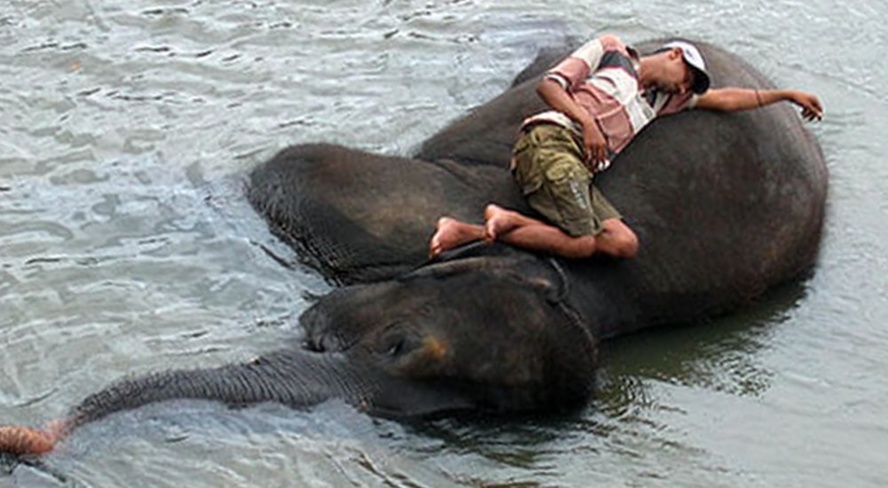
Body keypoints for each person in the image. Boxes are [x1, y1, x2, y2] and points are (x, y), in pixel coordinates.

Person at [428, 35, 823, 259]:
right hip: (551, 142)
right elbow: (549, 85)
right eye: (687, 77)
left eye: (690, 88)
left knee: (623, 244)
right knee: (583, 245)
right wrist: (586, 122)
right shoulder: (611, 51)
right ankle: (483, 229)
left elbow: (728, 98)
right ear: (673, 54)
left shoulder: (660, 102)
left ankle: (481, 227)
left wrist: (786, 94)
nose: (685, 88)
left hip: (579, 171)